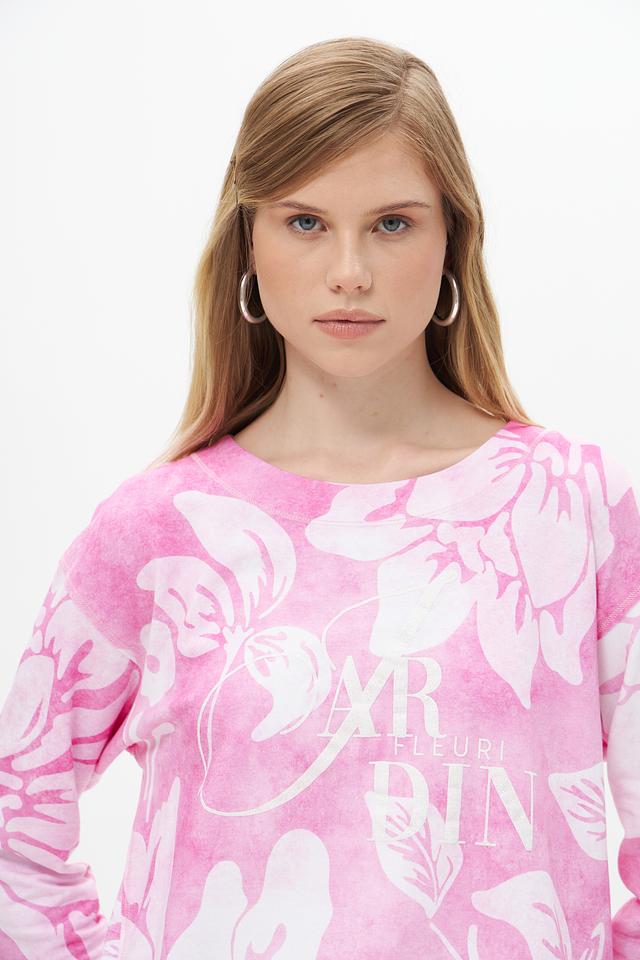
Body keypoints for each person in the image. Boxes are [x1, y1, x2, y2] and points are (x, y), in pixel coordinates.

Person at [1, 35, 639, 960]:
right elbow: (17, 828)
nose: (350, 271)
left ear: (452, 239)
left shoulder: (574, 511)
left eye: (392, 223)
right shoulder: (160, 532)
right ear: (249, 241)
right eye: (305, 221)